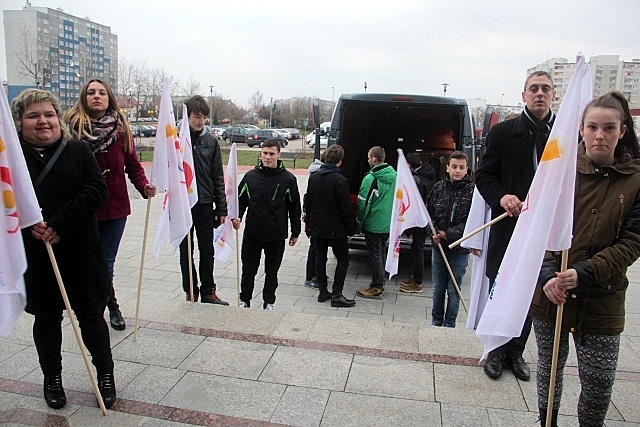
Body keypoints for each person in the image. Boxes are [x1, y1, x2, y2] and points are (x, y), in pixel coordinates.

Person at [531, 92, 640, 427]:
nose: (599, 135)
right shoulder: (559, 170)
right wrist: (549, 273)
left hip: (601, 300)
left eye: (608, 127)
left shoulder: (635, 178)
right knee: (549, 376)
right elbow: (538, 225)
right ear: (580, 128)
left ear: (621, 131)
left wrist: (585, 272)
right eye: (592, 126)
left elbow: (632, 241)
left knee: (598, 385)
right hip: (553, 296)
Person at [12, 89, 116, 409]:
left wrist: (59, 222)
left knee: (92, 318)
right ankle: (52, 378)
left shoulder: (78, 151)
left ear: (58, 118)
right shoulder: (11, 160)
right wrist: (30, 225)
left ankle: (106, 374)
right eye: (33, 116)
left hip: (81, 252)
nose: (43, 121)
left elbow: (96, 190)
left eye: (49, 114)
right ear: (20, 122)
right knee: (46, 319)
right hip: (38, 254)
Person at [475, 70, 556, 381]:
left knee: (530, 294)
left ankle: (516, 352)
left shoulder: (563, 136)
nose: (539, 94)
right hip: (508, 228)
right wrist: (502, 196)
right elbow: (483, 177)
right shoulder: (503, 133)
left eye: (545, 89)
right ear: (523, 95)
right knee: (503, 291)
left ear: (553, 95)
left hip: (542, 232)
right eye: (533, 89)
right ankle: (494, 351)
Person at [65, 79, 156, 330]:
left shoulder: (120, 129)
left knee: (106, 261)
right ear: (84, 97)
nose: (97, 96)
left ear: (109, 98)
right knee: (87, 261)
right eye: (91, 92)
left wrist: (143, 186)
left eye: (102, 92)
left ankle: (108, 306)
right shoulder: (70, 129)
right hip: (84, 206)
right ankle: (100, 305)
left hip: (115, 206)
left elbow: (133, 166)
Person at [232, 139, 301, 310]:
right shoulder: (250, 177)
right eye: (264, 153)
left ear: (279, 154)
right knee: (248, 270)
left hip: (276, 234)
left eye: (271, 153)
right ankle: (245, 300)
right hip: (252, 233)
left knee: (272, 272)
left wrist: (295, 232)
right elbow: (240, 201)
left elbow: (294, 207)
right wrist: (237, 216)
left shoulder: (288, 179)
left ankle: (269, 302)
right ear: (260, 153)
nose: (267, 157)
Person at [177, 95, 228, 304]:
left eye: (204, 117)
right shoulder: (177, 139)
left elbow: (218, 175)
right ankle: (190, 289)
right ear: (187, 115)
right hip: (182, 204)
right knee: (185, 250)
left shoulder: (210, 141)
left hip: (205, 203)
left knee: (207, 250)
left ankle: (208, 290)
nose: (201, 121)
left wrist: (222, 208)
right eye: (197, 116)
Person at [305, 145, 356, 307]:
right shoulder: (340, 180)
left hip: (317, 226)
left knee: (320, 258)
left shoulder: (314, 177)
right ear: (340, 161)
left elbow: (308, 201)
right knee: (343, 259)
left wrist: (308, 224)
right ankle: (337, 294)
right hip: (336, 228)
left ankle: (322, 291)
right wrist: (350, 229)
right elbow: (345, 208)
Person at [427, 151, 474, 326]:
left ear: (467, 169)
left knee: (454, 289)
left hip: (459, 248)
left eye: (461, 167)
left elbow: (472, 221)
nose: (457, 171)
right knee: (438, 288)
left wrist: (449, 233)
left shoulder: (472, 191)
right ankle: (436, 321)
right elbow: (428, 212)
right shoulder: (438, 188)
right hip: (438, 247)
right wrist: (434, 232)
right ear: (448, 168)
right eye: (454, 167)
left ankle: (450, 323)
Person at [356, 146, 397, 299]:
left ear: (374, 159)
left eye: (368, 157)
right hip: (388, 223)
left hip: (373, 223)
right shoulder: (396, 176)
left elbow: (363, 203)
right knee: (382, 252)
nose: (368, 160)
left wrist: (359, 222)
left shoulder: (371, 178)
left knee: (375, 254)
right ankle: (380, 282)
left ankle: (377, 286)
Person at [399, 152, 437, 293]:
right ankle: (415, 278)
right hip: (426, 218)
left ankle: (417, 283)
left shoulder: (416, 180)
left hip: (420, 219)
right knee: (417, 248)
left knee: (418, 250)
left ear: (409, 166)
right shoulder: (429, 176)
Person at [303, 150, 326, 289]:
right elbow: (309, 197)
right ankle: (310, 276)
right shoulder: (317, 175)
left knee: (315, 247)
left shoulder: (315, 173)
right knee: (314, 248)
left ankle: (315, 274)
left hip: (313, 217)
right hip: (315, 218)